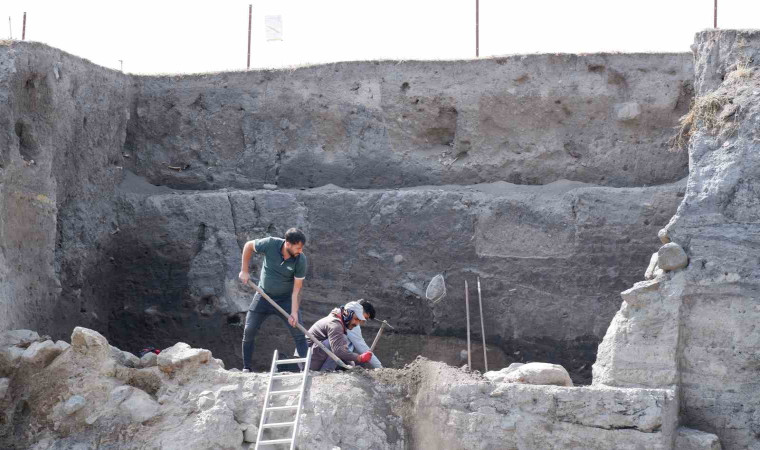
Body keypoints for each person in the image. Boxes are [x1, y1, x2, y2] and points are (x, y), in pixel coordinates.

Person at [238, 228, 308, 372]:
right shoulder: (270, 244)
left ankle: (306, 369)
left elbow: (297, 290)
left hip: (285, 300)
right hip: (263, 296)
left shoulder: (300, 260)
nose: (300, 251)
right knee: (249, 330)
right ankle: (246, 368)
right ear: (288, 244)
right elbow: (248, 246)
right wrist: (244, 270)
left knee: (299, 333)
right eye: (298, 247)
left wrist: (293, 312)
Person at [307, 302, 373, 371]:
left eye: (359, 321)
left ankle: (326, 371)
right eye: (356, 319)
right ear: (347, 314)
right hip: (307, 359)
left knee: (348, 361)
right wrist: (359, 357)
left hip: (313, 356)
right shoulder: (335, 324)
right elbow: (338, 351)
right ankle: (324, 374)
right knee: (340, 343)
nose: (356, 324)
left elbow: (342, 352)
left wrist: (352, 365)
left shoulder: (338, 321)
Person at [345, 299, 383, 368]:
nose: (363, 321)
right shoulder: (352, 323)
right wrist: (380, 367)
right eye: (365, 317)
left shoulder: (346, 311)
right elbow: (362, 347)